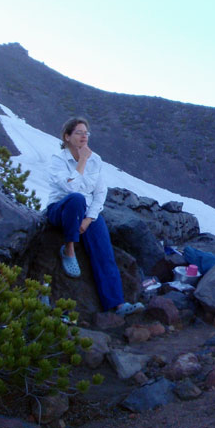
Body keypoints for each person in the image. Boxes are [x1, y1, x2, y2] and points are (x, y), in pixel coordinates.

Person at [46, 116, 143, 317]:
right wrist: (82, 160)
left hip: (87, 213)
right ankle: (69, 248)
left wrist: (88, 220)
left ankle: (117, 305)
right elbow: (71, 187)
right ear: (67, 136)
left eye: (86, 132)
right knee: (76, 198)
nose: (84, 136)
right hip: (61, 210)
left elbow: (99, 193)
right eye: (79, 132)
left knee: (104, 252)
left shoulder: (96, 160)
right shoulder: (58, 160)